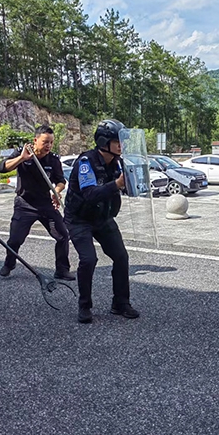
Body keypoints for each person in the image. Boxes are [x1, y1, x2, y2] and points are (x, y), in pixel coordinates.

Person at [64, 119, 139, 324]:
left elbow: (128, 189)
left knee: (121, 257)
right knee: (89, 259)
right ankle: (84, 305)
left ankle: (120, 303)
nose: (121, 146)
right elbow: (89, 194)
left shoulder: (117, 164)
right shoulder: (86, 162)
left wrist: (136, 182)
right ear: (104, 142)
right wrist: (116, 184)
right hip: (79, 219)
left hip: (103, 217)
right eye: (118, 142)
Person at [0, 124, 74, 281]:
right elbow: (2, 168)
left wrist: (57, 192)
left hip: (46, 204)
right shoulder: (22, 152)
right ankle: (9, 264)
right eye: (45, 142)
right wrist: (22, 158)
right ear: (35, 140)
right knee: (15, 239)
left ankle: (62, 270)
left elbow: (61, 181)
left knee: (63, 235)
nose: (49, 146)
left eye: (51, 142)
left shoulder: (53, 160)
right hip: (24, 204)